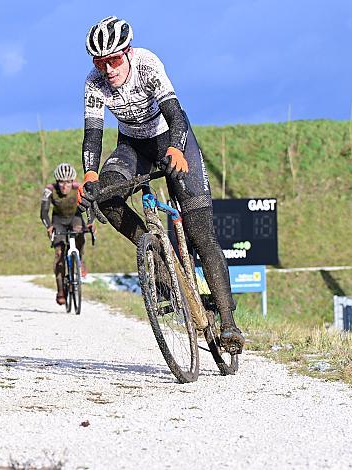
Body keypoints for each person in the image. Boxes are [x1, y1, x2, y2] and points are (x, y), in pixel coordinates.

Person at [77, 16, 244, 351]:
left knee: (201, 235)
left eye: (113, 60)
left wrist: (176, 148)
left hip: (172, 140)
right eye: (100, 62)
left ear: (127, 52)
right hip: (132, 147)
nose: (107, 69)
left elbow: (175, 113)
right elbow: (93, 135)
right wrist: (91, 174)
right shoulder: (94, 83)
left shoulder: (148, 64)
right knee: (105, 196)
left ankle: (229, 323)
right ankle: (156, 252)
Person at [40, 162, 90, 305]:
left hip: (75, 218)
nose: (64, 186)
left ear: (72, 181)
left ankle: (79, 260)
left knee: (80, 235)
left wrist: (91, 222)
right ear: (57, 182)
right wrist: (49, 226)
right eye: (61, 182)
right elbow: (43, 212)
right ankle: (61, 290)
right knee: (59, 254)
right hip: (58, 221)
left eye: (68, 182)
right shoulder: (49, 190)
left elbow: (89, 207)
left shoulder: (79, 187)